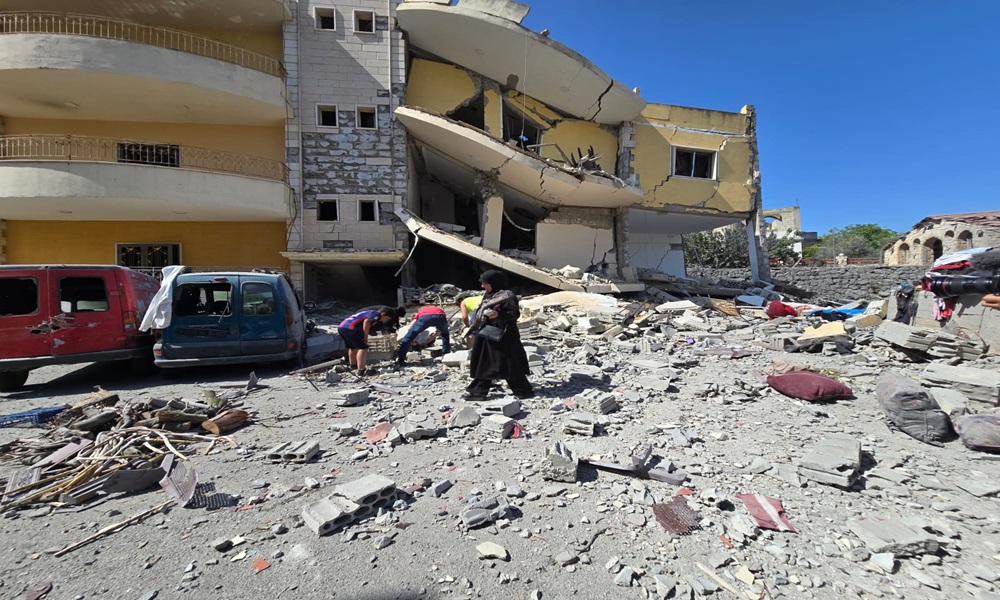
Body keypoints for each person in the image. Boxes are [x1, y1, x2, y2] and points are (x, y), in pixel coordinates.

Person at [464, 270, 533, 401]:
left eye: (485, 283)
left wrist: (498, 315)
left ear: (494, 283)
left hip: (504, 337)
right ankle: (478, 392)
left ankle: (523, 391)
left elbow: (514, 314)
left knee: (509, 363)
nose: (482, 286)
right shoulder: (490, 295)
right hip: (487, 335)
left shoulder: (508, 296)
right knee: (486, 362)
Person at [338, 307, 396, 373]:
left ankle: (353, 366)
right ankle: (361, 370)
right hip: (352, 328)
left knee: (353, 347)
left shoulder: (370, 312)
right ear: (383, 314)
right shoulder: (377, 314)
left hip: (342, 327)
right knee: (363, 348)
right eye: (386, 318)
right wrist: (365, 336)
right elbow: (367, 321)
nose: (384, 320)